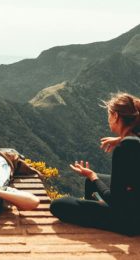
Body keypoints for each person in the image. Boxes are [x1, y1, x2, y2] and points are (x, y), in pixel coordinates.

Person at [50, 92, 140, 235]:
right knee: (91, 181)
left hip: (130, 221)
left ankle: (100, 215)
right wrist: (119, 139)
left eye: (109, 115)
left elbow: (115, 201)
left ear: (116, 116)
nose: (108, 119)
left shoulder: (124, 149)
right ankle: (96, 210)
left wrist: (93, 176)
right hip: (134, 203)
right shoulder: (133, 142)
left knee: (58, 205)